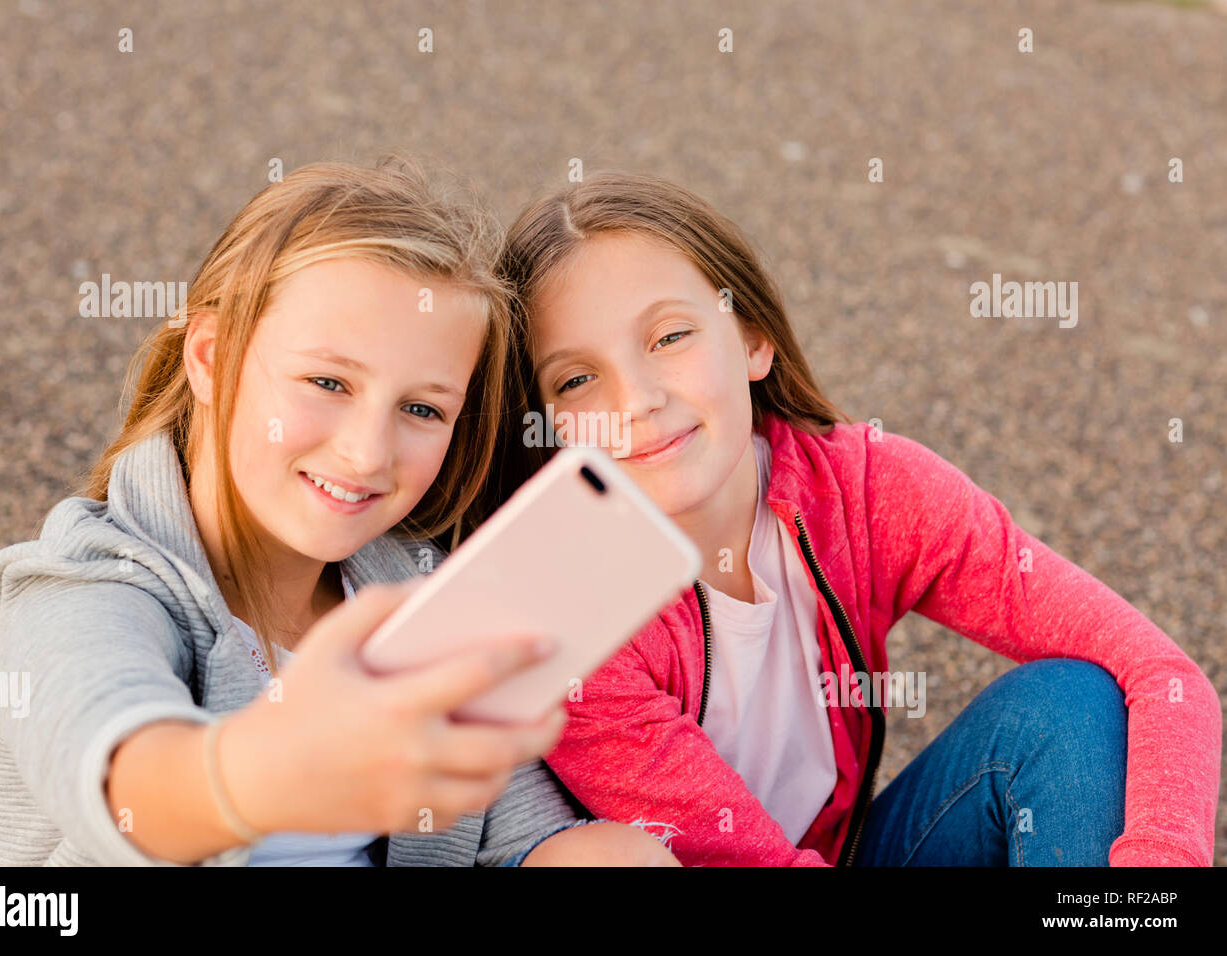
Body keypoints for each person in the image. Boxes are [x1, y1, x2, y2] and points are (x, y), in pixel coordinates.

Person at [468, 169, 1221, 867]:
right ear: (545, 423)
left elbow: (1162, 676)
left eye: (670, 336)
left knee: (1071, 706)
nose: (637, 400)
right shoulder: (570, 613)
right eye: (576, 379)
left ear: (754, 338)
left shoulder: (867, 489)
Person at [0, 157, 678, 867]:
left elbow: (520, 834)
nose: (368, 453)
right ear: (210, 358)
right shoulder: (77, 589)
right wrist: (256, 776)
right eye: (328, 382)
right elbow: (121, 771)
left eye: (422, 408)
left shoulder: (408, 581)